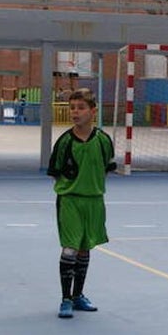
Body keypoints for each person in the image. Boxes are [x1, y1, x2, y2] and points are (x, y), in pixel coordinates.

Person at [48, 89, 116, 318]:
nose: (75, 112)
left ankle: (78, 296)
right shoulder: (65, 142)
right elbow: (55, 172)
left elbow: (106, 167)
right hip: (70, 201)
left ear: (93, 111)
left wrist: (92, 185)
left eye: (81, 107)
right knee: (70, 249)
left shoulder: (104, 141)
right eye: (72, 108)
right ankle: (65, 299)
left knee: (85, 249)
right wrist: (72, 188)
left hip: (94, 201)